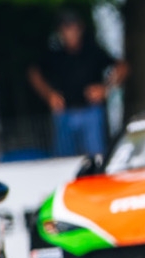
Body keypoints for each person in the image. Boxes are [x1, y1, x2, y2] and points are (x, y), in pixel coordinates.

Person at [28, 11, 128, 157]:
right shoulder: (55, 53)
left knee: (96, 156)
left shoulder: (92, 51)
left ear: (80, 29)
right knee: (64, 158)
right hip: (64, 113)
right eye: (65, 28)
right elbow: (34, 72)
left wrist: (106, 88)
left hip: (91, 111)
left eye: (72, 28)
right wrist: (49, 95)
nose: (69, 33)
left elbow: (122, 67)